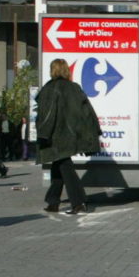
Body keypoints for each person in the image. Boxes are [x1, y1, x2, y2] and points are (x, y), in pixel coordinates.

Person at [36, 58, 103, 215]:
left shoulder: (50, 88)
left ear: (52, 70)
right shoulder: (74, 88)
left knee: (65, 167)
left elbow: (47, 114)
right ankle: (53, 201)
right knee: (59, 165)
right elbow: (88, 112)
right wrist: (94, 131)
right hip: (71, 135)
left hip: (55, 135)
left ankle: (78, 202)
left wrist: (43, 134)